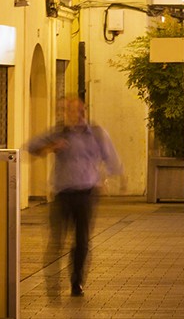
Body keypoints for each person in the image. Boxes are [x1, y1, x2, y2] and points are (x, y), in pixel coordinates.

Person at [26, 96, 123, 298]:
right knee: (56, 240)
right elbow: (31, 147)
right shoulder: (57, 132)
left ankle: (76, 282)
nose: (68, 114)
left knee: (82, 241)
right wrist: (50, 147)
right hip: (62, 194)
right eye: (65, 110)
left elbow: (111, 157)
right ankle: (52, 285)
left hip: (86, 195)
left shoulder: (96, 133)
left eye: (71, 110)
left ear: (82, 111)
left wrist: (118, 177)